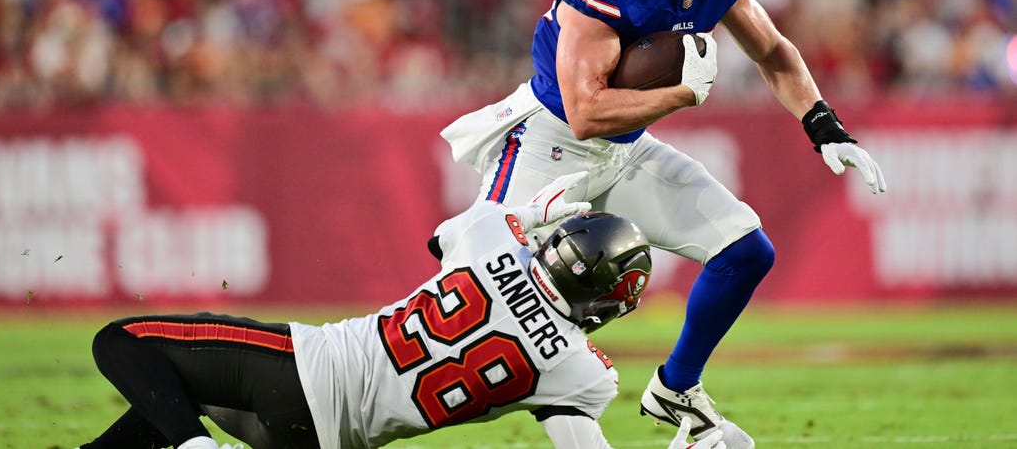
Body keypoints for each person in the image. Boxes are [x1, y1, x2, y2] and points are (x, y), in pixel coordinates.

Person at [439, 0, 887, 448]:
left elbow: (773, 50)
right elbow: (584, 112)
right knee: (503, 310)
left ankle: (676, 388)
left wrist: (822, 123)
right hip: (548, 146)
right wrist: (681, 94)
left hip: (624, 148)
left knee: (745, 251)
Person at [79, 173, 727, 449]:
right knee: (169, 396)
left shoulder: (488, 240)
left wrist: (526, 214)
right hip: (330, 442)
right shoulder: (582, 374)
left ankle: (193, 446)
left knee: (125, 342)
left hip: (303, 373)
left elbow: (443, 236)